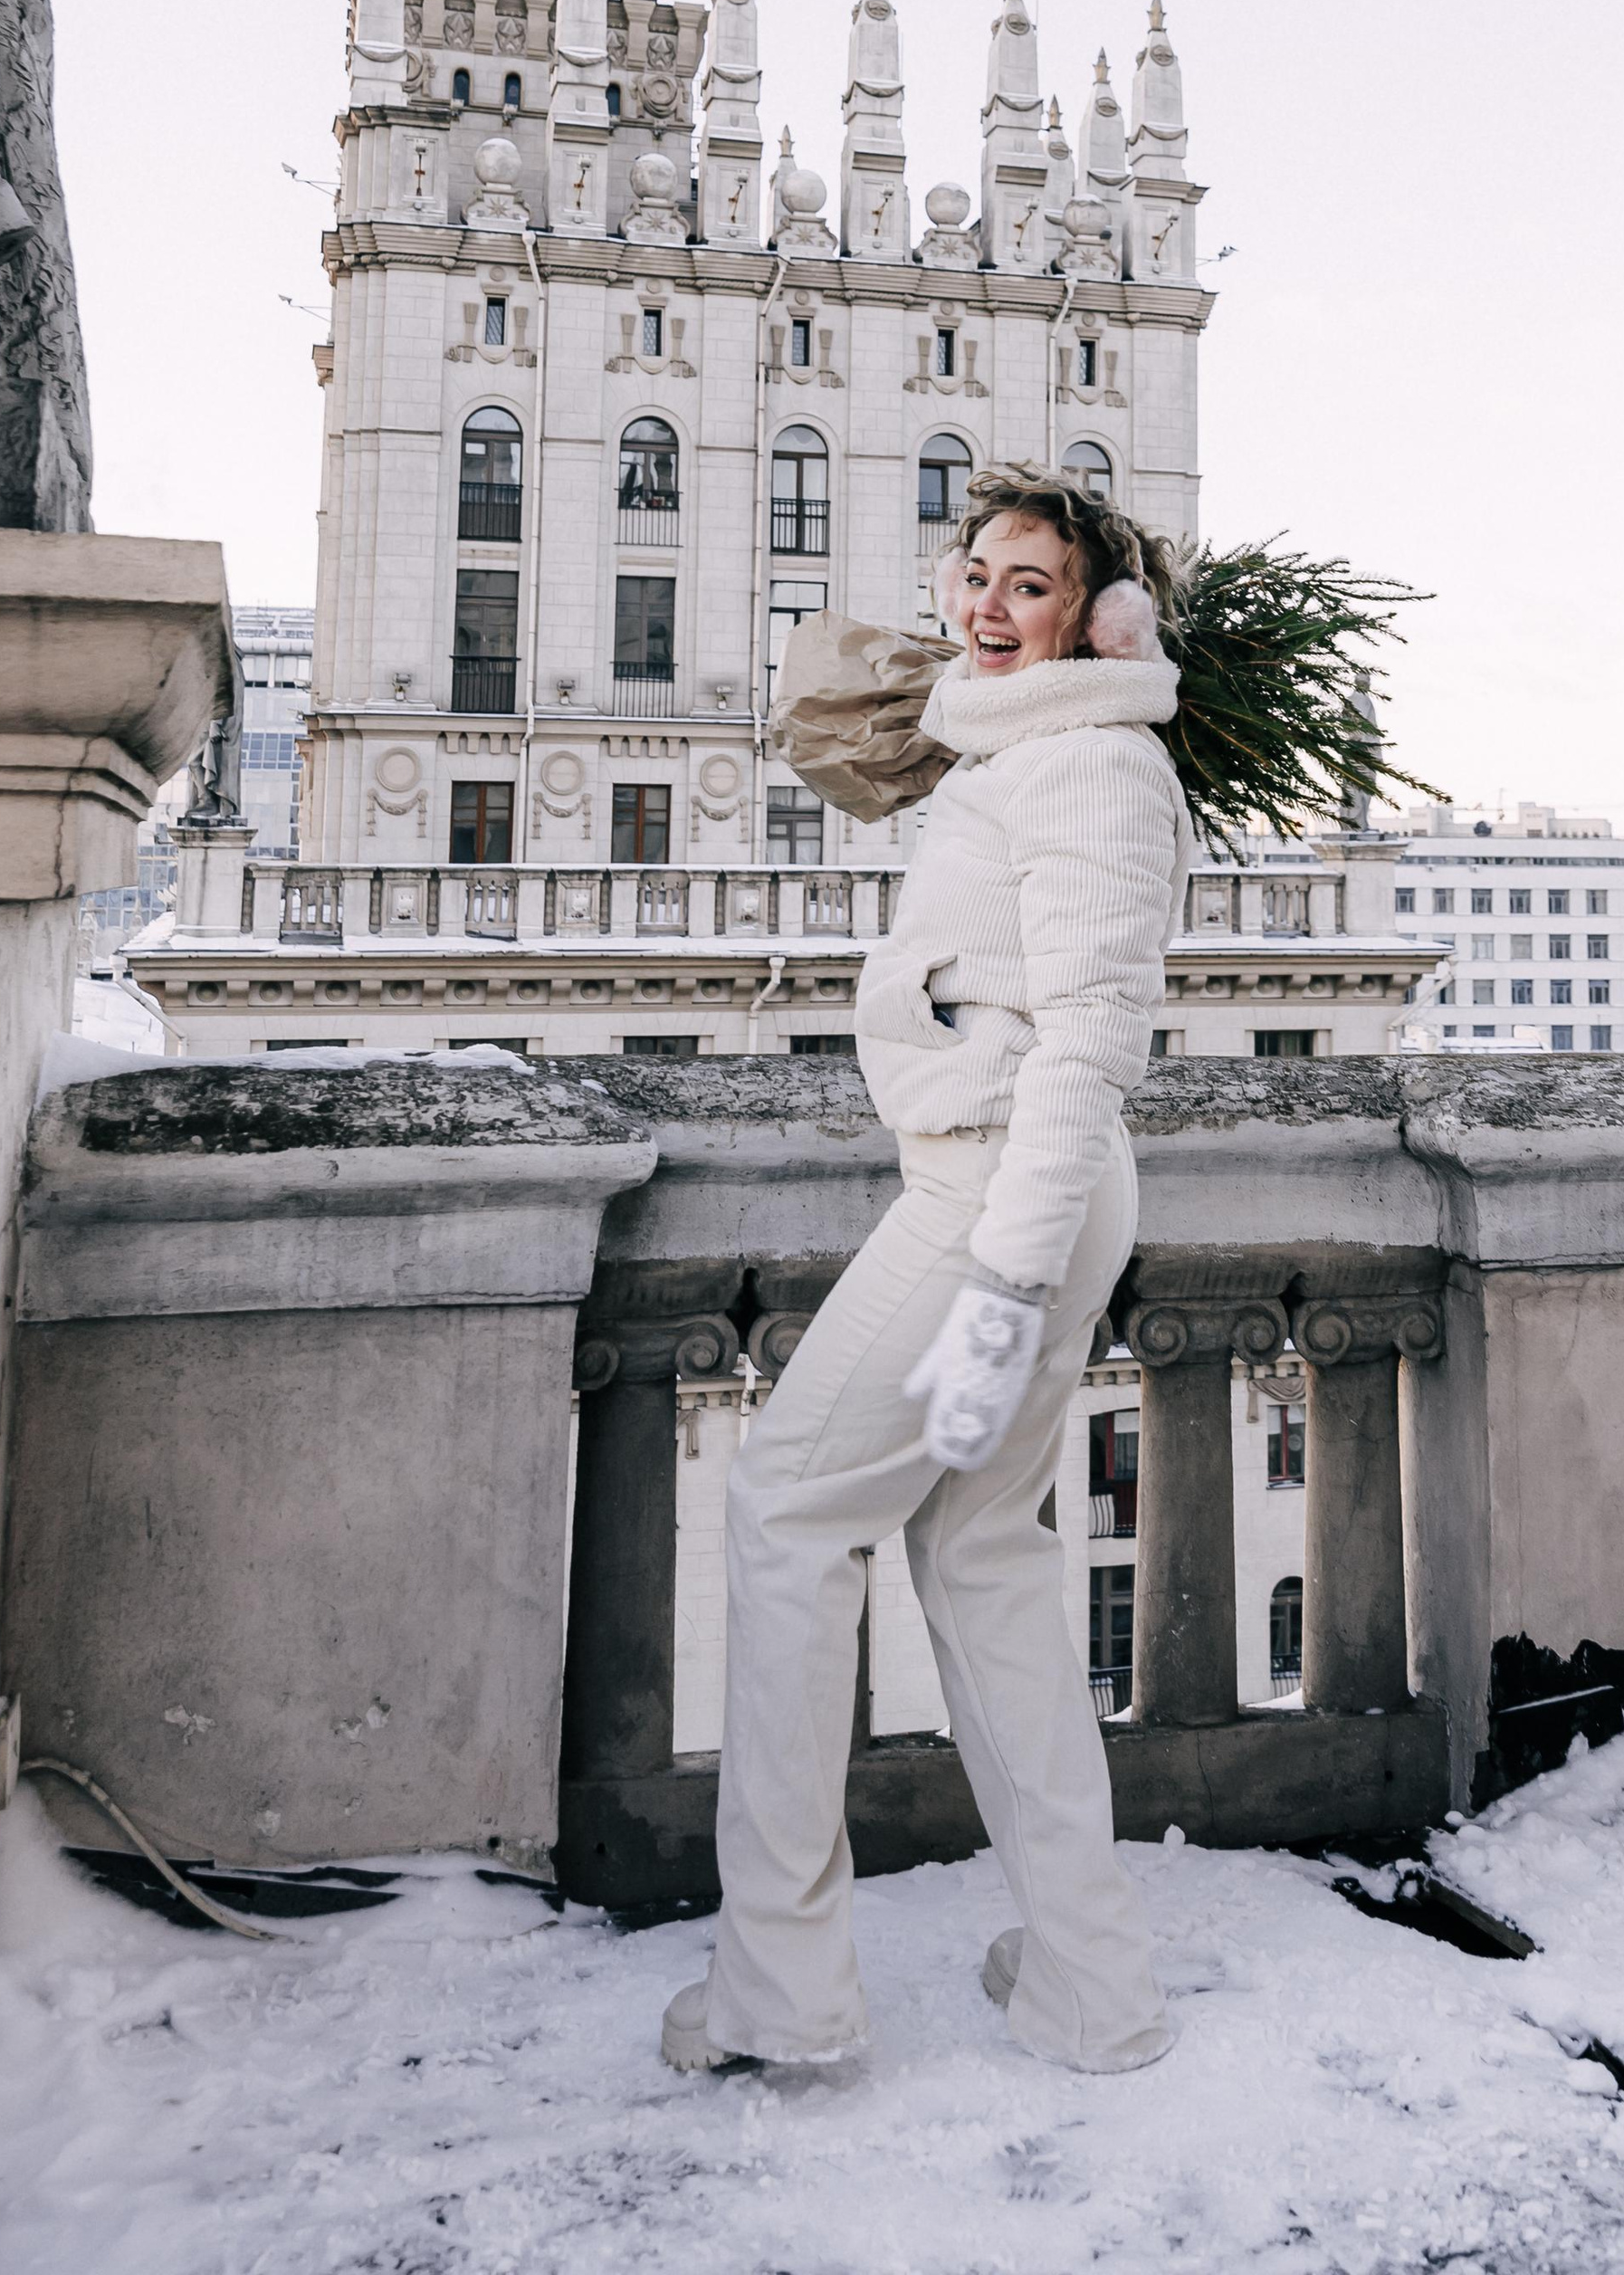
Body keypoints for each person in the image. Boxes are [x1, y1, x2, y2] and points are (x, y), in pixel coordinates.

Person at [663, 460, 1189, 2077]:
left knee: (786, 1513)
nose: (986, 606)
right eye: (976, 573)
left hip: (996, 1197)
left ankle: (784, 1998)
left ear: (1096, 617)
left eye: (1029, 585)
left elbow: (1091, 1042)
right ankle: (1091, 1984)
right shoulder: (1030, 750)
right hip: (1013, 1188)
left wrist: (1005, 1291)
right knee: (979, 1554)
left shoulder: (1092, 762)